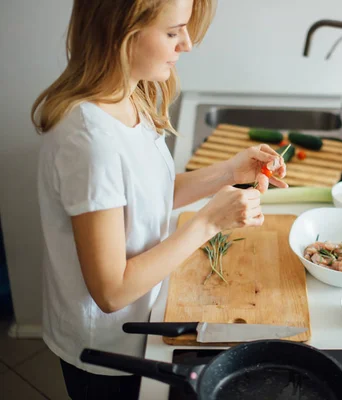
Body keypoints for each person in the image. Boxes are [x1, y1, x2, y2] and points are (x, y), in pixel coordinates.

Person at [31, 0, 287, 398]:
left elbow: (146, 197)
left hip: (145, 321)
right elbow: (111, 290)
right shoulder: (89, 142)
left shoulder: (130, 96)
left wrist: (230, 172)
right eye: (172, 32)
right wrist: (208, 223)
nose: (186, 44)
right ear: (121, 35)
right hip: (108, 351)